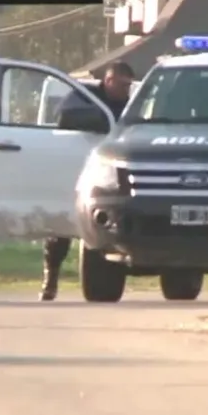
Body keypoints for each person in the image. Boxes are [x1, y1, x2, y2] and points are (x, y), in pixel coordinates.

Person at [40, 61, 135, 301]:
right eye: (122, 85)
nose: (126, 90)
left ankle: (103, 281)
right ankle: (50, 279)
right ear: (109, 80)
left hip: (108, 178)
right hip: (75, 169)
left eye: (129, 86)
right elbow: (66, 115)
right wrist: (105, 119)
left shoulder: (130, 105)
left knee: (104, 229)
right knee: (61, 227)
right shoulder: (85, 95)